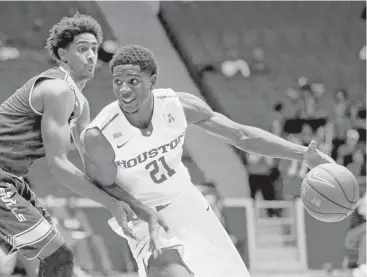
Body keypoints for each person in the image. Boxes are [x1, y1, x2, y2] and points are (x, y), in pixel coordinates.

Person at [82, 45, 334, 277]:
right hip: (143, 215)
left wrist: (302, 153)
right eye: (118, 82)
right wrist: (142, 211)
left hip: (186, 202)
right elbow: (104, 186)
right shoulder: (101, 135)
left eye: (133, 81)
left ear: (152, 81)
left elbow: (241, 135)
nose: (124, 90)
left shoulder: (177, 106)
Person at [0, 15, 165, 277]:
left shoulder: (81, 105)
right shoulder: (57, 90)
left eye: (94, 49)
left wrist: (137, 205)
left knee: (37, 259)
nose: (90, 55)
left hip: (13, 180)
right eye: (82, 49)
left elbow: (93, 169)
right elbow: (59, 166)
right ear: (63, 54)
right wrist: (111, 205)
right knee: (56, 256)